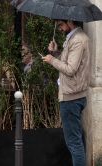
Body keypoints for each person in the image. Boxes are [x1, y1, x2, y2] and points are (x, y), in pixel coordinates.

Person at [42, 19, 91, 166]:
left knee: (74, 143)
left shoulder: (77, 40)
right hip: (75, 94)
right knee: (75, 141)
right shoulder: (76, 38)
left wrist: (51, 60)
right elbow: (70, 64)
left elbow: (70, 69)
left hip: (71, 98)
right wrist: (56, 52)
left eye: (61, 25)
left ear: (69, 21)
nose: (60, 29)